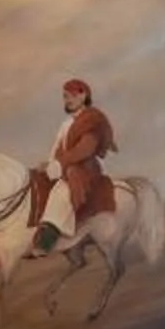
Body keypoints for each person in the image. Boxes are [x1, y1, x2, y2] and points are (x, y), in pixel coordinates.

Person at [31, 77, 116, 253]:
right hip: (65, 166)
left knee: (65, 186)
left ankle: (48, 239)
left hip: (85, 168)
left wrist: (58, 164)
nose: (67, 100)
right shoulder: (67, 124)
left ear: (83, 96)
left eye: (70, 96)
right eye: (64, 97)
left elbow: (85, 149)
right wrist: (48, 165)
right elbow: (58, 149)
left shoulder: (92, 119)